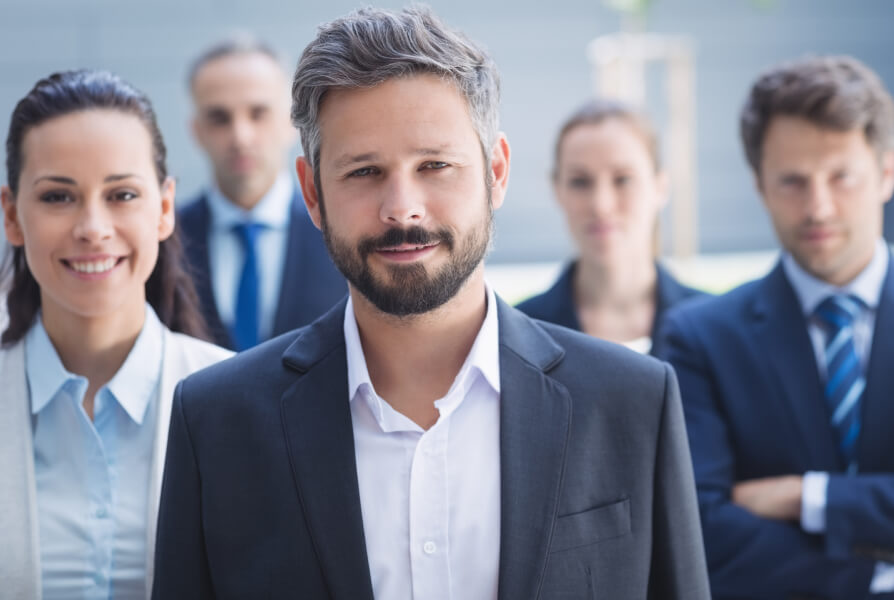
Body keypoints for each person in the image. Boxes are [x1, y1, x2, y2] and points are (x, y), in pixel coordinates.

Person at [151, 7, 710, 599]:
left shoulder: (632, 404)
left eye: (435, 165)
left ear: (496, 172)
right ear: (312, 193)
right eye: (364, 171)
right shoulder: (215, 422)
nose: (402, 207)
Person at [658, 55, 894, 599]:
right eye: (792, 181)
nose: (818, 207)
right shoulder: (700, 339)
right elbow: (700, 534)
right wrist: (878, 576)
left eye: (841, 176)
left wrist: (807, 498)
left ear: (884, 174)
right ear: (761, 186)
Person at [0, 70, 232, 599]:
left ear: (165, 208)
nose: (93, 228)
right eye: (58, 197)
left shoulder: (238, 398)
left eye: (122, 194)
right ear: (13, 215)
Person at [179, 37, 346, 350]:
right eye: (219, 118)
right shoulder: (165, 242)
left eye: (258, 113)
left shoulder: (342, 232)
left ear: (291, 122)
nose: (241, 136)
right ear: (197, 131)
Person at [516, 99, 704, 355]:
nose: (601, 205)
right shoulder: (520, 335)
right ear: (557, 190)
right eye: (580, 182)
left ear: (660, 187)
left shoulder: (712, 329)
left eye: (623, 179)